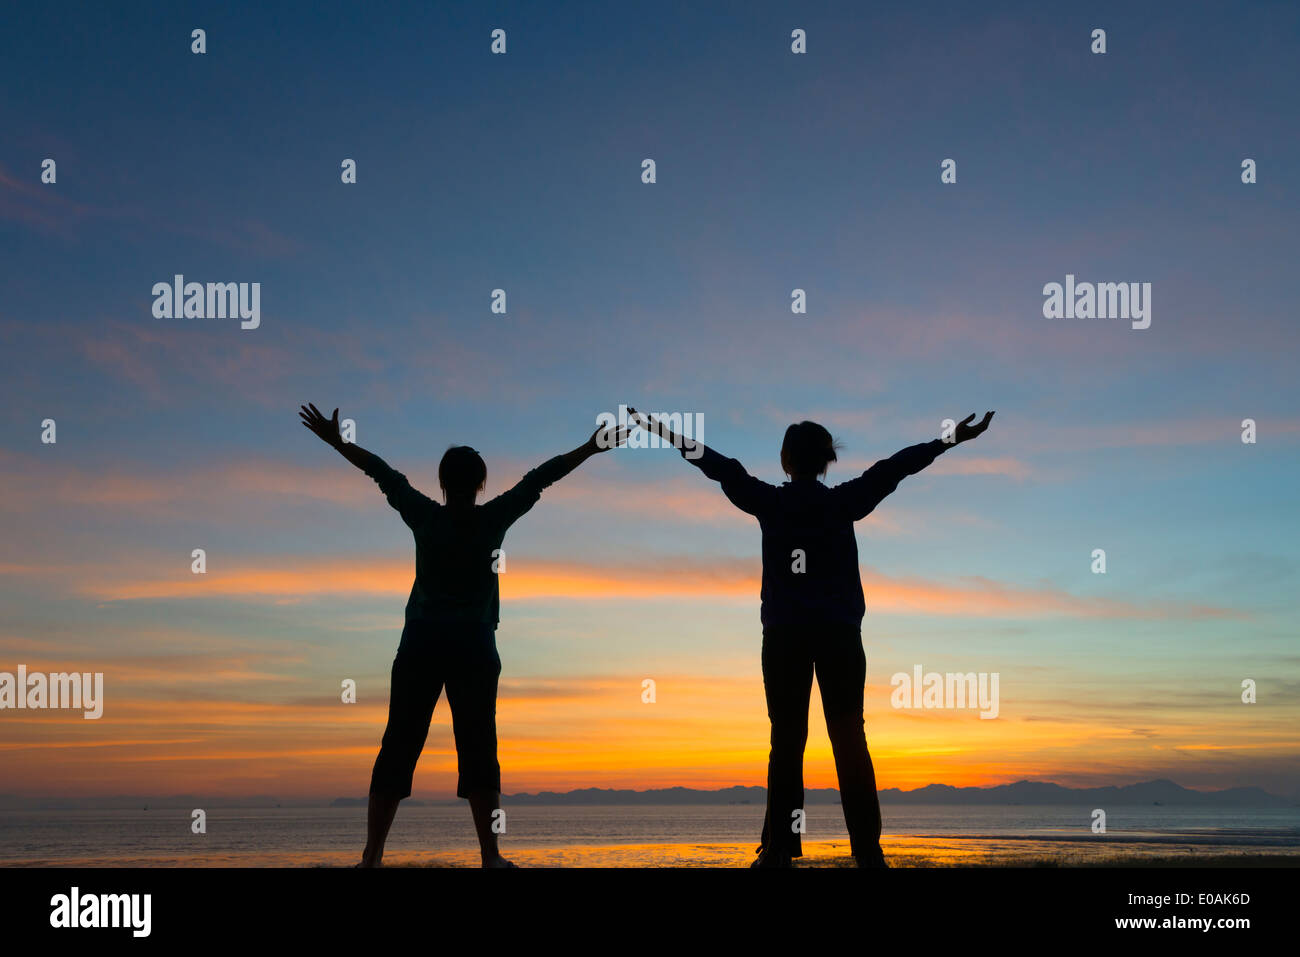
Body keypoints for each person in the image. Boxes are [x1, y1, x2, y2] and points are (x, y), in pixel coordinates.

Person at [628, 407, 994, 867]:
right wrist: (950, 439)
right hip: (839, 633)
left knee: (787, 739)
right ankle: (867, 852)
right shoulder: (843, 502)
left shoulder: (772, 502)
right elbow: (895, 467)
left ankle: (780, 849)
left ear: (785, 460)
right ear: (826, 461)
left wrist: (661, 430)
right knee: (848, 738)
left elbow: (718, 465)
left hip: (784, 635)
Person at [299, 403, 627, 867]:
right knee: (478, 747)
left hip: (422, 643)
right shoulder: (492, 517)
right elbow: (541, 477)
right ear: (479, 485)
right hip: (472, 644)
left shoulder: (425, 515)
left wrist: (339, 443)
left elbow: (383, 474)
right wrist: (591, 448)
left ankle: (372, 856)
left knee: (400, 743)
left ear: (442, 482)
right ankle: (490, 856)